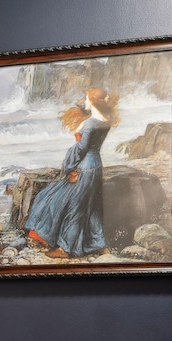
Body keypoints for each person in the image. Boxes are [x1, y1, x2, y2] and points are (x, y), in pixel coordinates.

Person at [25, 87, 120, 258]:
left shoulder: (90, 123)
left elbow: (81, 149)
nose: (84, 101)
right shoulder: (106, 119)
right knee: (91, 208)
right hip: (96, 165)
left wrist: (70, 168)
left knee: (66, 205)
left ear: (93, 100)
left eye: (86, 98)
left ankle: (65, 249)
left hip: (83, 167)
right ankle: (100, 245)